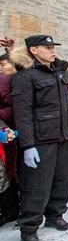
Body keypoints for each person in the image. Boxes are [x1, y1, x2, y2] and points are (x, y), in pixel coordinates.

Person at [11, 35, 68, 241]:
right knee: (37, 186)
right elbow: (22, 114)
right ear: (33, 50)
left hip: (65, 136)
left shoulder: (62, 72)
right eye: (47, 47)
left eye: (53, 47)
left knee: (63, 180)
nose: (52, 51)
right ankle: (29, 228)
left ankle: (55, 214)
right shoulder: (26, 77)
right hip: (42, 139)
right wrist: (28, 145)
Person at [0, 52, 19, 226]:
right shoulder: (6, 80)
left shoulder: (6, 80)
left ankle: (11, 209)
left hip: (9, 131)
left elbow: (13, 106)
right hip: (8, 130)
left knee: (10, 169)